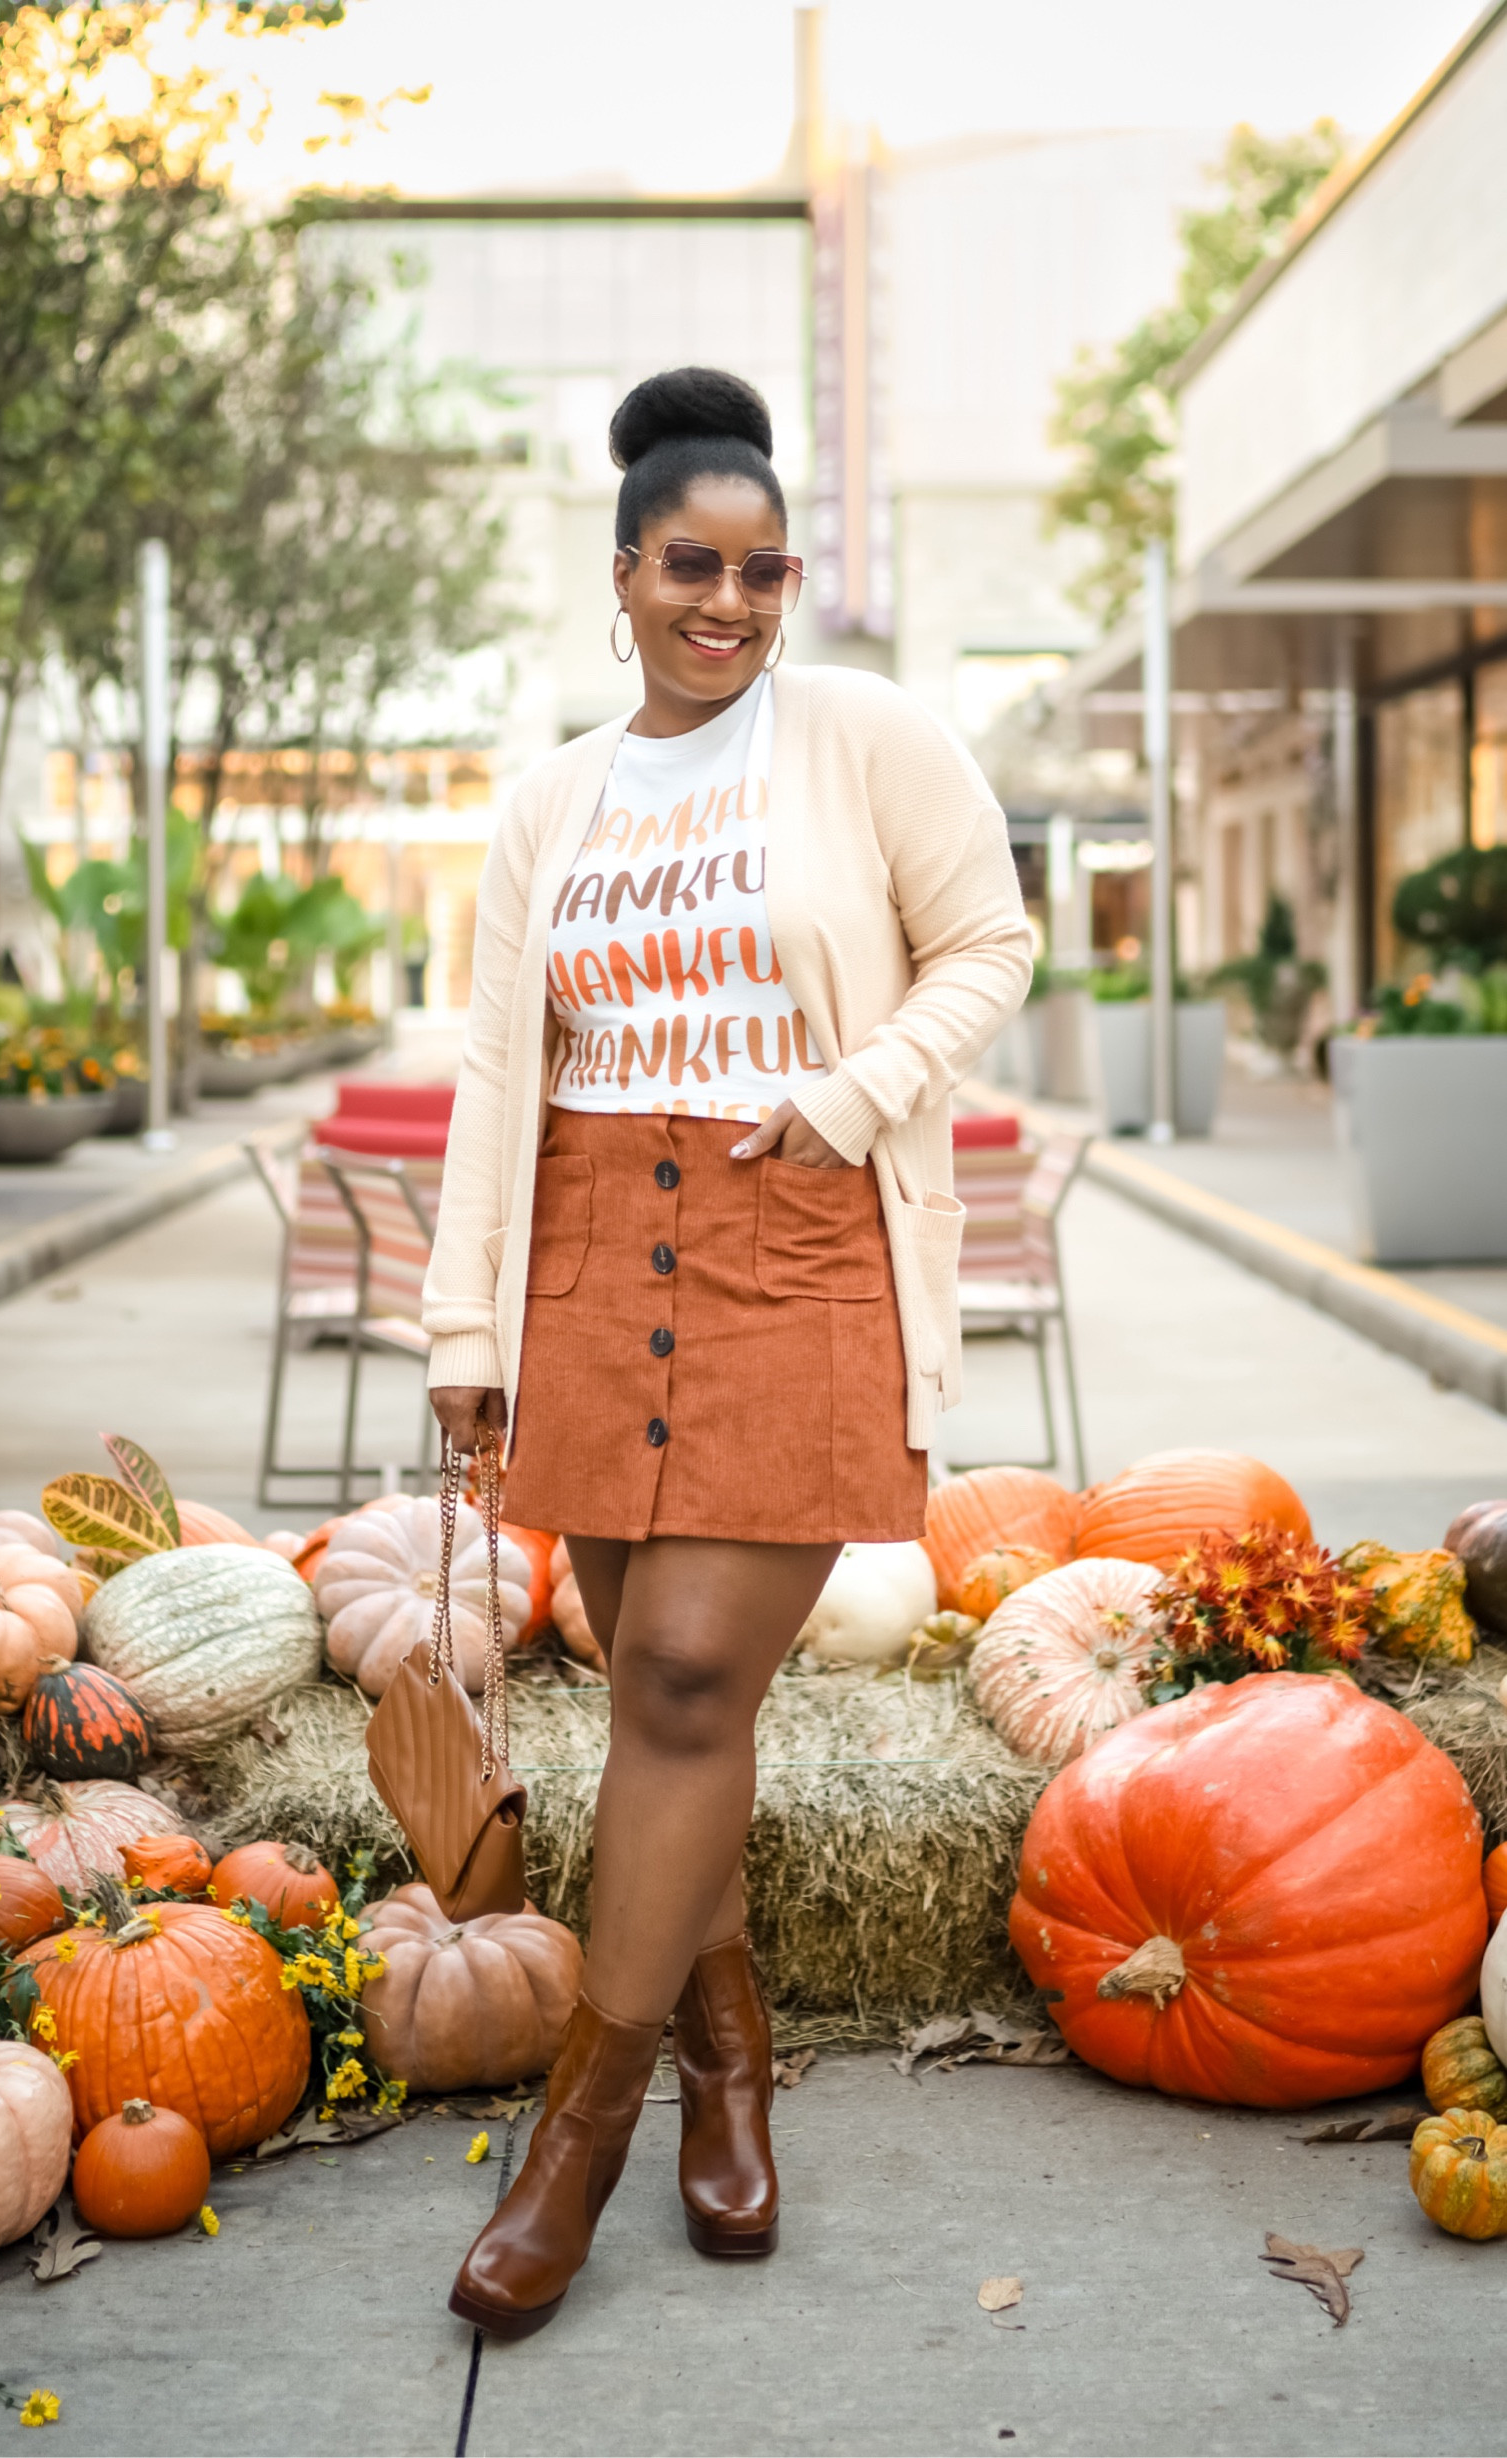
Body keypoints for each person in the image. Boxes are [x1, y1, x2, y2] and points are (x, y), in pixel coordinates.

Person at [423, 364, 1032, 2338]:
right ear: (625, 572)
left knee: (687, 1668)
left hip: (793, 1242)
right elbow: (504, 1072)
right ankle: (727, 2050)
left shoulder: (863, 738)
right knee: (654, 1686)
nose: (731, 602)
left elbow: (990, 942)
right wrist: (466, 1319)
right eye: (694, 565)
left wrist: (855, 1092)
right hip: (594, 1249)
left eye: (764, 571)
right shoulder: (551, 803)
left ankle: (571, 2146)